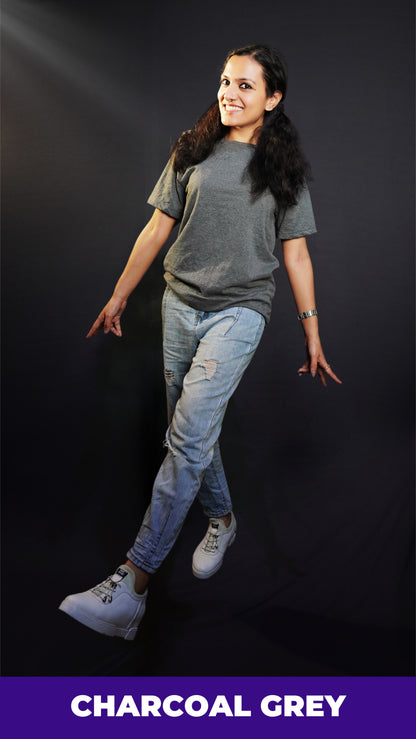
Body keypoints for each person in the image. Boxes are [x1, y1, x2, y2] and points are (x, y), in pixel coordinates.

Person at [59, 43, 341, 640]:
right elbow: (156, 227)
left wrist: (311, 331)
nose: (229, 93)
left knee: (186, 438)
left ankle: (130, 586)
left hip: (240, 313)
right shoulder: (192, 151)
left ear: (272, 98)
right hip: (179, 305)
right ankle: (222, 516)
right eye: (224, 82)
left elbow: (295, 253)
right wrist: (117, 296)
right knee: (190, 430)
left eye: (244, 85)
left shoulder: (282, 169)